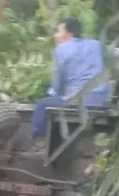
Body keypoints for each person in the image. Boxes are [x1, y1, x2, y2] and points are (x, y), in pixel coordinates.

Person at [30, 17, 110, 151]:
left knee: (42, 104)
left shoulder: (61, 50)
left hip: (78, 101)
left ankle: (39, 142)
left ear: (69, 34)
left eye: (58, 32)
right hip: (101, 100)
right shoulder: (95, 44)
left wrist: (54, 94)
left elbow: (57, 85)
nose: (55, 36)